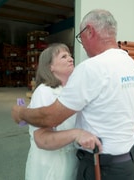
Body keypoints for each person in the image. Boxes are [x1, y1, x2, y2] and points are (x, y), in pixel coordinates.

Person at [12, 9, 134, 180]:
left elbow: (50, 118)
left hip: (101, 165)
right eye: (63, 56)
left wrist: (21, 113)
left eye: (81, 37)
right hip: (126, 161)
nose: (72, 57)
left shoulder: (92, 67)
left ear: (90, 31)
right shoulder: (129, 63)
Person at [24, 43, 93, 180]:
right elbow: (42, 138)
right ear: (50, 67)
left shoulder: (70, 91)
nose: (71, 59)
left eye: (70, 55)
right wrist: (76, 134)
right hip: (50, 163)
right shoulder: (44, 92)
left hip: (71, 158)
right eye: (63, 56)